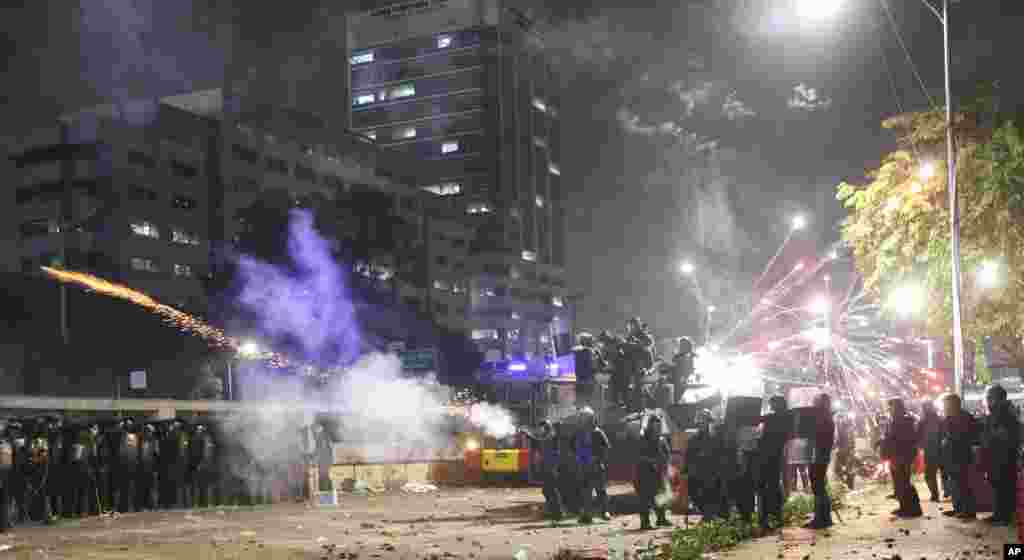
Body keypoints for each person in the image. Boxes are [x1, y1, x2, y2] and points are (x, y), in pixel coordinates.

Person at [981, 385, 1019, 526]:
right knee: (997, 486)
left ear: (1000, 398)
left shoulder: (1006, 414)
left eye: (991, 397)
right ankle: (998, 514)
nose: (988, 400)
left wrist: (994, 435)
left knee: (1005, 486)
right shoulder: (996, 413)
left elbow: (1008, 436)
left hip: (1004, 457)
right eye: (988, 397)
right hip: (995, 456)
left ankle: (1005, 517)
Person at [940, 393, 978, 520]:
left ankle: (967, 511)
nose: (944, 407)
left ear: (954, 404)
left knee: (963, 484)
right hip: (951, 456)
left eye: (946, 404)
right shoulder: (949, 417)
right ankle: (958, 508)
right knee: (954, 484)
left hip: (961, 456)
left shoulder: (965, 417)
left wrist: (950, 439)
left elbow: (969, 437)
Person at [882, 398, 922, 518]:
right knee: (900, 482)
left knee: (903, 482)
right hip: (898, 456)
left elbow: (900, 440)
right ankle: (905, 507)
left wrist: (888, 445)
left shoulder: (903, 421)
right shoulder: (897, 420)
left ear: (897, 407)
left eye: (891, 407)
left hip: (901, 456)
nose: (889, 410)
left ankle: (911, 509)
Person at [571, 408, 611, 524]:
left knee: (601, 491)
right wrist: (578, 458)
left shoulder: (598, 432)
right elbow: (572, 447)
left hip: (596, 466)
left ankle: (605, 512)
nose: (584, 420)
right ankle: (587, 515)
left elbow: (606, 448)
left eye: (586, 417)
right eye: (582, 417)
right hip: (583, 467)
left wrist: (598, 458)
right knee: (585, 492)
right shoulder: (578, 433)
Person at [758, 395, 791, 530]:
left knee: (766, 486)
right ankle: (776, 516)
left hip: (769, 456)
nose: (771, 406)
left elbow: (757, 420)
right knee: (774, 485)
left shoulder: (773, 418)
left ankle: (766, 517)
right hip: (776, 455)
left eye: (772, 404)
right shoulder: (787, 417)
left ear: (778, 405)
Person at [521, 421, 564, 520]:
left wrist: (528, 435)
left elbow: (540, 443)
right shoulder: (547, 437)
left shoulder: (551, 436)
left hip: (551, 468)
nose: (540, 430)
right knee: (547, 491)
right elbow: (538, 443)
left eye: (542, 428)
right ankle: (553, 511)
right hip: (546, 467)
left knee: (551, 491)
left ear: (547, 427)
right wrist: (528, 435)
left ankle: (557, 512)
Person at [636, 414, 672, 530]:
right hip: (644, 472)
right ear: (650, 426)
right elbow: (639, 456)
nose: (656, 428)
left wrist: (665, 463)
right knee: (645, 498)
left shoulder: (661, 439)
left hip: (658, 472)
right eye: (654, 425)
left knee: (661, 495)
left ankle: (661, 518)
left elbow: (667, 454)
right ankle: (645, 522)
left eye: (658, 425)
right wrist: (652, 461)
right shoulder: (643, 438)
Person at [806, 393, 834, 529]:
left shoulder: (824, 419)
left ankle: (821, 518)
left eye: (816, 401)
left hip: (819, 456)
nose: (813, 403)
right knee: (818, 485)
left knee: (818, 486)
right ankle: (823, 517)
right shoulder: (825, 417)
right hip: (819, 455)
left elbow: (820, 438)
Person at [622, 319, 655, 413]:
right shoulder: (629, 337)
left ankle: (639, 405)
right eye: (629, 327)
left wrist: (637, 344)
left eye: (633, 326)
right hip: (632, 364)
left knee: (637, 378)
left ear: (637, 326)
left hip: (644, 362)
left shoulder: (644, 335)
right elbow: (625, 348)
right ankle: (629, 403)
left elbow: (648, 344)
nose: (630, 328)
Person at [918, 400, 944, 503]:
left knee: (930, 474)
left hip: (931, 451)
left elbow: (918, 436)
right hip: (940, 450)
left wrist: (921, 445)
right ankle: (945, 491)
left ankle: (935, 494)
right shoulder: (939, 419)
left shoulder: (923, 421)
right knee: (944, 473)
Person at [573, 334, 600, 408]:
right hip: (588, 379)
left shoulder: (575, 350)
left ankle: (579, 412)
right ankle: (587, 413)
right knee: (588, 399)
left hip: (578, 378)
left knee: (579, 397)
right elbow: (594, 365)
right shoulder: (591, 351)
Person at [671, 337, 695, 405]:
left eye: (681, 345)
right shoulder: (679, 355)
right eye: (680, 344)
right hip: (676, 380)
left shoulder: (688, 356)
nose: (680, 346)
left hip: (681, 381)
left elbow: (689, 369)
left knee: (679, 398)